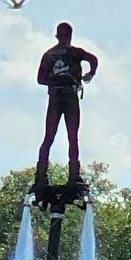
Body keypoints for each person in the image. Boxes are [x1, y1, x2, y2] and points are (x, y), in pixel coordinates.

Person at [35, 21, 98, 187]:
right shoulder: (75, 52)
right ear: (70, 36)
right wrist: (89, 74)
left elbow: (40, 79)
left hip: (55, 97)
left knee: (49, 137)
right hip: (69, 97)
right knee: (72, 137)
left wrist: (54, 80)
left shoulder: (49, 54)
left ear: (57, 36)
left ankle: (41, 174)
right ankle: (73, 174)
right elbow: (93, 59)